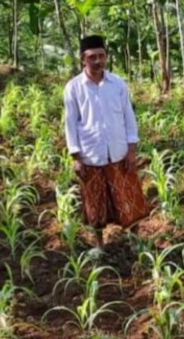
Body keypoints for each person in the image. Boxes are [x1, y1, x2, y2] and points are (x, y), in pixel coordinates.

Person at [63, 35, 149, 244]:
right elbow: (70, 123)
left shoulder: (117, 84)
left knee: (129, 199)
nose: (98, 61)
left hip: (119, 152)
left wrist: (131, 151)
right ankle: (100, 246)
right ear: (83, 59)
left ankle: (134, 242)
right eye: (92, 57)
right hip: (91, 155)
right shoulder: (73, 88)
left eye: (101, 56)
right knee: (95, 204)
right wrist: (75, 157)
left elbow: (129, 117)